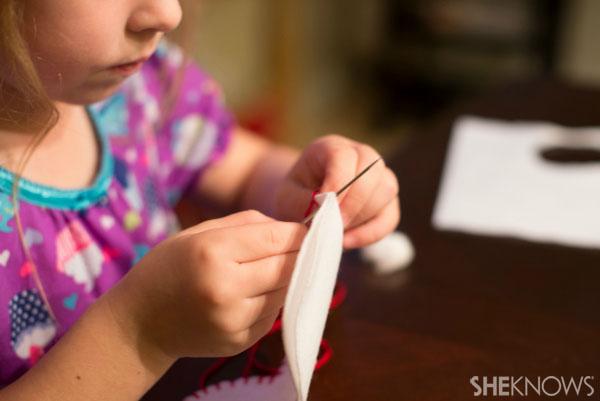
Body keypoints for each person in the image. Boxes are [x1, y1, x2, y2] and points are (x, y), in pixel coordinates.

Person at [0, 0, 400, 399]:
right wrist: (140, 333)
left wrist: (303, 188)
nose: (167, 14)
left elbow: (241, 169)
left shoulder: (143, 87)